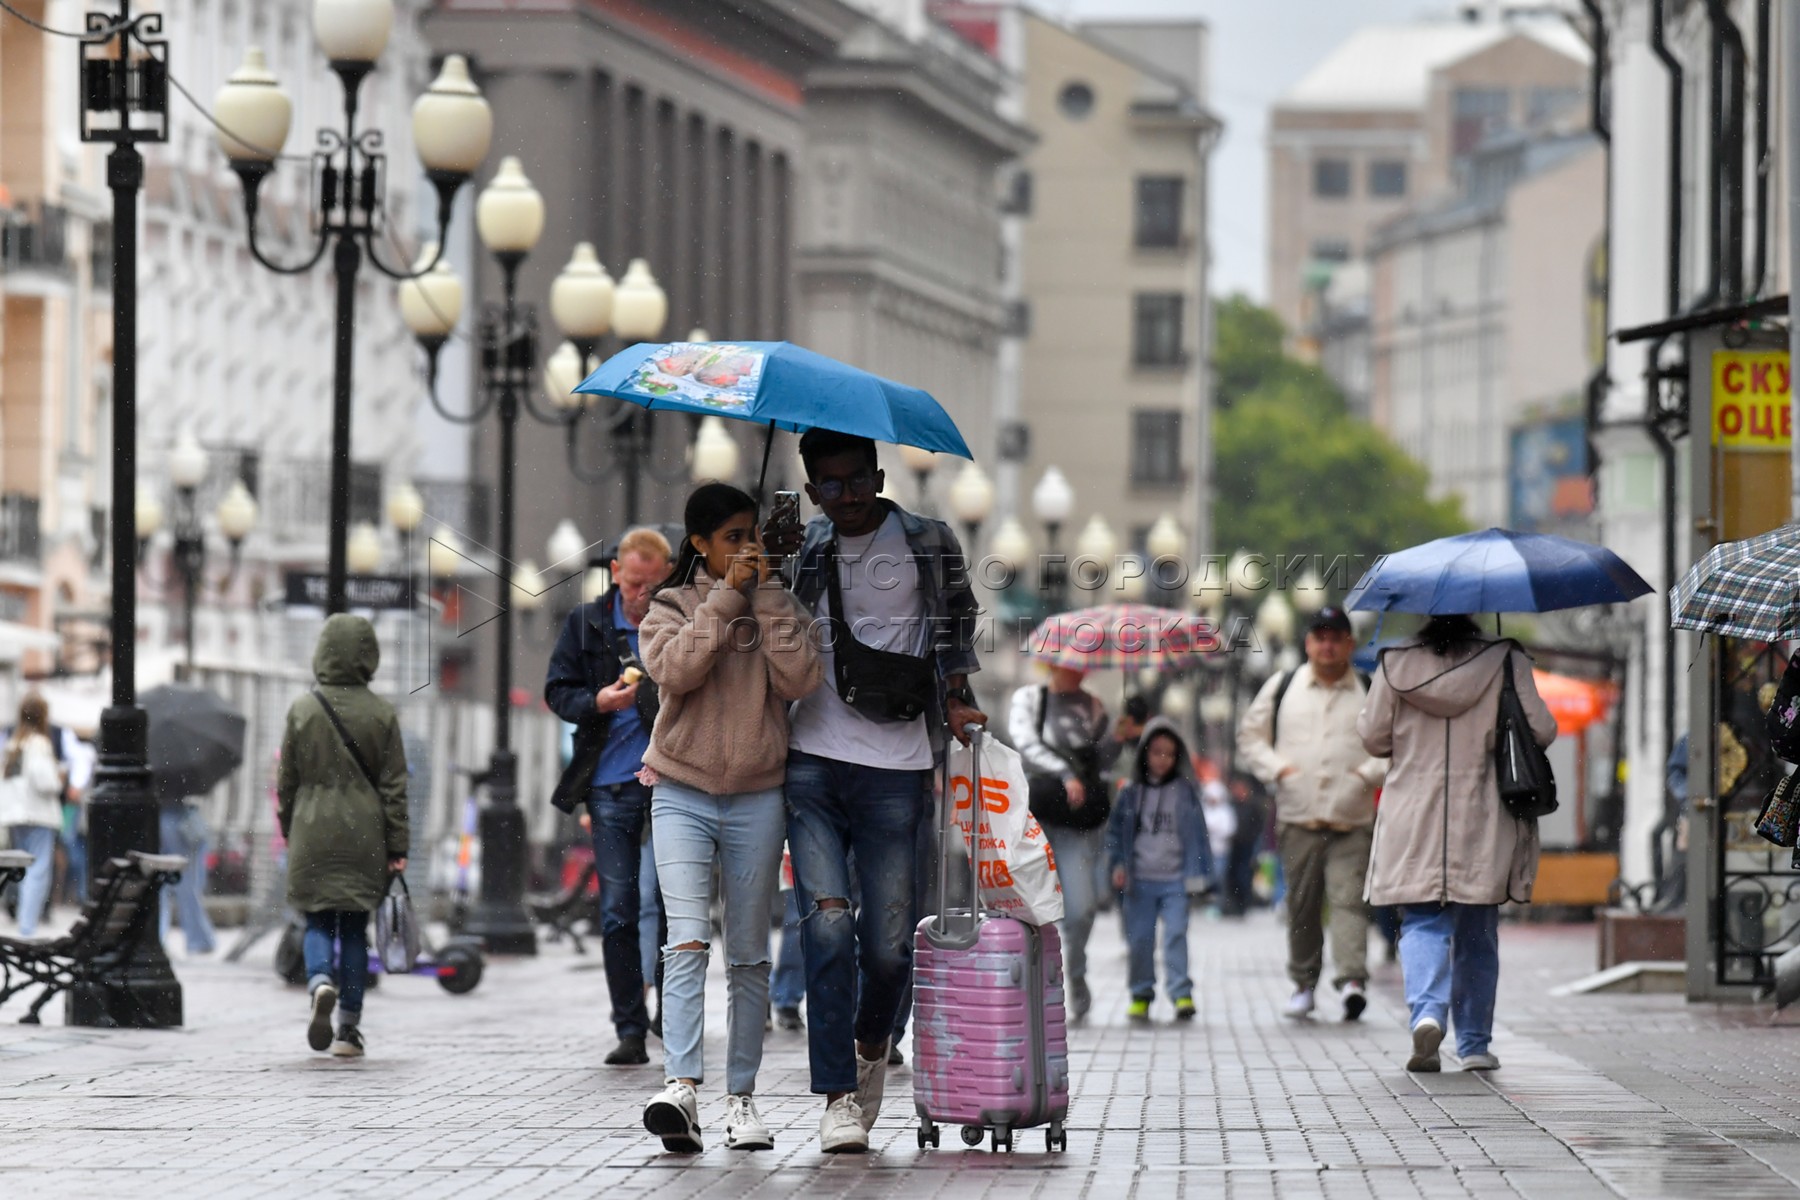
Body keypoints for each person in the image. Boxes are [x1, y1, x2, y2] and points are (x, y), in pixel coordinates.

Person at [766, 428, 986, 1153]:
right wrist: (767, 558)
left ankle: (869, 1048)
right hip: (811, 758)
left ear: (879, 473)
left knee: (891, 947)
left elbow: (955, 624)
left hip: (895, 762)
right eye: (831, 484)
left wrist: (956, 693)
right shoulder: (806, 547)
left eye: (858, 479)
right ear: (812, 491)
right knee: (827, 925)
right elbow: (763, 631)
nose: (849, 495)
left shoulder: (928, 540)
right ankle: (835, 1097)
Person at [637, 483, 822, 1154]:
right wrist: (724, 599)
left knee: (748, 956)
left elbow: (802, 679)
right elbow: (674, 672)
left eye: (753, 534)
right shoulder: (669, 605)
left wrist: (765, 596)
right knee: (686, 941)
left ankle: (741, 1099)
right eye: (732, 537)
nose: (747, 546)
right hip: (682, 790)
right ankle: (681, 1086)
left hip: (757, 796)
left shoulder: (777, 603)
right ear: (700, 546)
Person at [1357, 614, 1555, 1073]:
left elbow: (1371, 737)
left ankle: (1426, 1012)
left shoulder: (1394, 663)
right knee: (1477, 929)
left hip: (1413, 811)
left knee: (1423, 919)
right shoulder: (1506, 658)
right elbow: (1542, 730)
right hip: (1482, 810)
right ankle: (1473, 1045)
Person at [546, 527, 674, 1067]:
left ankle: (673, 1010)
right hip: (610, 786)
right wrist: (597, 700)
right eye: (632, 584)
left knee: (672, 905)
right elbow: (558, 690)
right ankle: (629, 1025)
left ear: (666, 578)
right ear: (617, 572)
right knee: (619, 908)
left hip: (671, 782)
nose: (639, 597)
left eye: (651, 587)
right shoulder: (588, 623)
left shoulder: (679, 623)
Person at [1237, 605, 1386, 1021]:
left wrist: (1369, 773)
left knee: (1348, 900)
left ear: (1349, 644)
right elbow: (1250, 736)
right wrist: (1277, 769)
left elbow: (1395, 741)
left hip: (1351, 814)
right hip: (1298, 814)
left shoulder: (1369, 688)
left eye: (1336, 637)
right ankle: (1304, 983)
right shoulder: (1283, 686)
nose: (1328, 645)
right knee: (1302, 904)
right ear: (1308, 643)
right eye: (1320, 637)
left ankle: (1352, 980)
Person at [276, 614, 410, 1059]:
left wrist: (288, 825)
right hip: (365, 834)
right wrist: (397, 846)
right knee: (354, 928)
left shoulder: (303, 708)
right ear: (369, 655)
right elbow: (394, 787)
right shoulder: (382, 712)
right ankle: (348, 1030)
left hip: (312, 827)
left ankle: (318, 981)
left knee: (316, 917)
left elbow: (287, 781)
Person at [1010, 665, 1131, 1024]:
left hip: (1078, 823)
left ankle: (1074, 972)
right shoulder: (1030, 699)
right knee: (1029, 909)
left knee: (1081, 909)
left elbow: (1099, 762)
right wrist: (1064, 774)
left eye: (1083, 665)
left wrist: (1117, 737)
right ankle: (1033, 984)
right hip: (1036, 818)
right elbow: (1025, 745)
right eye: (1070, 664)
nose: (1078, 671)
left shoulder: (1094, 706)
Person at [1107, 718, 1213, 1021]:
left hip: (1176, 880)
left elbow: (1199, 835)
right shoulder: (1130, 792)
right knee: (1139, 939)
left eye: (1169, 753)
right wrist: (1117, 864)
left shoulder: (1185, 791)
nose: (1162, 759)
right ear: (1144, 754)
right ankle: (1141, 993)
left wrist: (1201, 876)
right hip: (1139, 881)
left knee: (1176, 934)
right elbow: (1115, 834)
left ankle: (1181, 993)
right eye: (1156, 752)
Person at [1, 694, 67, 936]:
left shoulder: (13, 743)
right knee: (38, 871)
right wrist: (59, 777)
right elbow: (45, 781)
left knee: (22, 869)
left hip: (16, 814)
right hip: (38, 814)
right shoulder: (39, 743)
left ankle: (22, 918)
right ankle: (26, 926)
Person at [158, 793, 217, 955]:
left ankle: (159, 936)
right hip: (177, 820)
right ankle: (198, 939)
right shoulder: (181, 775)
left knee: (158, 884)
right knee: (186, 884)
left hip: (155, 816)